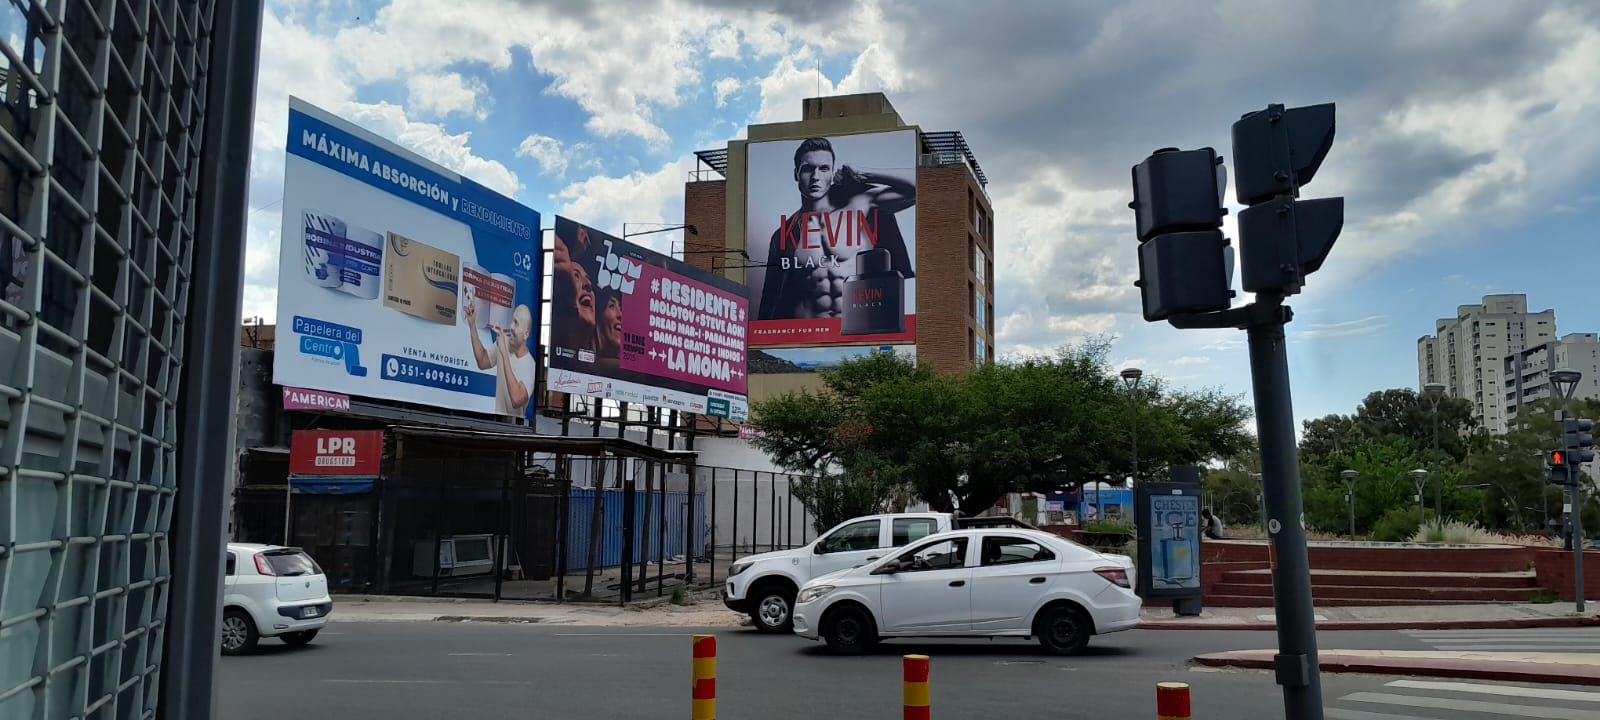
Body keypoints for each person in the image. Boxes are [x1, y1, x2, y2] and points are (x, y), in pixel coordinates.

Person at [757, 137, 916, 322]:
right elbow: (770, 298)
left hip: (861, 327)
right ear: (796, 174)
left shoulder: (859, 206)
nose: (815, 177)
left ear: (832, 173)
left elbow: (918, 186)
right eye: (808, 169)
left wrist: (864, 173)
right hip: (808, 336)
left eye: (824, 168)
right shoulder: (785, 234)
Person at [466, 302, 536, 417]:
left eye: (516, 323)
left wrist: (504, 354)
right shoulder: (505, 342)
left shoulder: (531, 366)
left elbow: (516, 399)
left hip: (515, 429)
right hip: (496, 423)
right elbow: (482, 361)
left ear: (526, 334)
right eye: (513, 320)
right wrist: (472, 325)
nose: (511, 326)